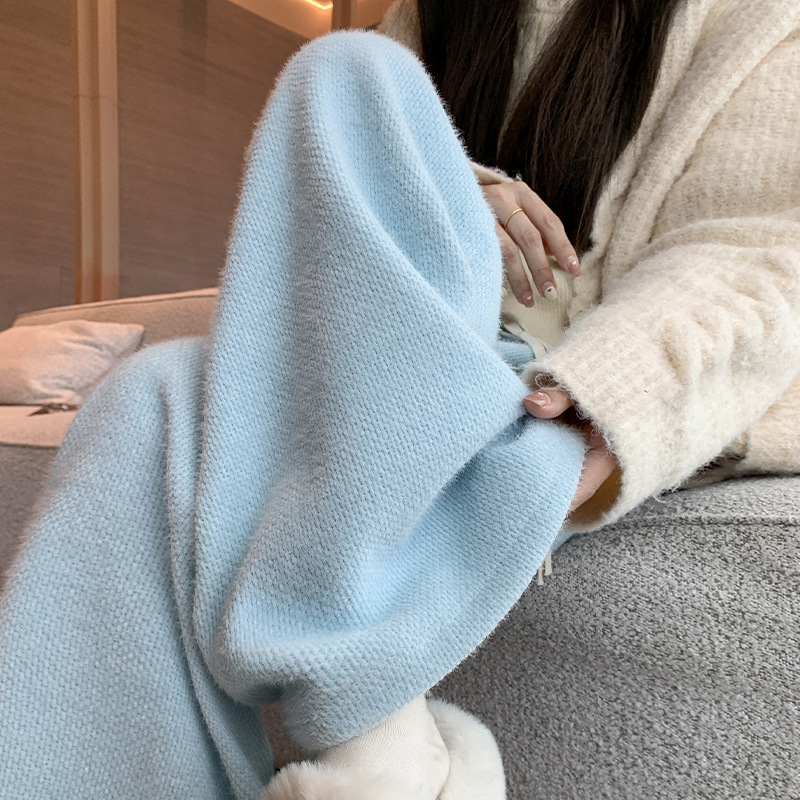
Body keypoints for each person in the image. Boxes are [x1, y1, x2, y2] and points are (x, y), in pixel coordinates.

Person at [0, 2, 798, 800]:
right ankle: (381, 754)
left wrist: (619, 390)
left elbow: (761, 249)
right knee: (147, 396)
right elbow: (328, 192)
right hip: (420, 359)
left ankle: (370, 735)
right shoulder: (432, 15)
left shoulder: (757, 15)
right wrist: (459, 192)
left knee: (345, 68)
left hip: (576, 382)